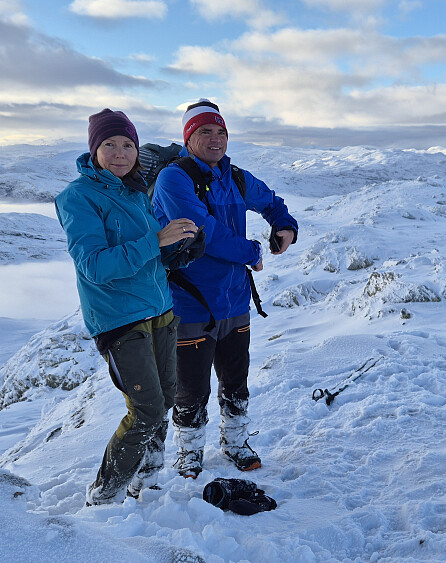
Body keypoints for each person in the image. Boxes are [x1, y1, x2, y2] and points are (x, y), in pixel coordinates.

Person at [55, 109, 200, 505]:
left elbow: (149, 256)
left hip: (160, 310)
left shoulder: (136, 192)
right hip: (120, 320)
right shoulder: (78, 197)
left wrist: (178, 252)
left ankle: (148, 482)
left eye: (128, 145)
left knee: (165, 400)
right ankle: (103, 496)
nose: (121, 153)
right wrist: (157, 242)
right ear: (94, 149)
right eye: (110, 145)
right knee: (147, 410)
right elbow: (95, 265)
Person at [152, 99, 298, 478]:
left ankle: (235, 443)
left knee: (236, 380)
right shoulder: (174, 179)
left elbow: (270, 201)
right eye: (205, 132)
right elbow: (205, 232)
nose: (215, 139)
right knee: (191, 387)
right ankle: (189, 452)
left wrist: (285, 224)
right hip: (190, 303)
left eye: (221, 131)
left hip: (234, 301)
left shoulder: (234, 177)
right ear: (188, 138)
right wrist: (252, 251)